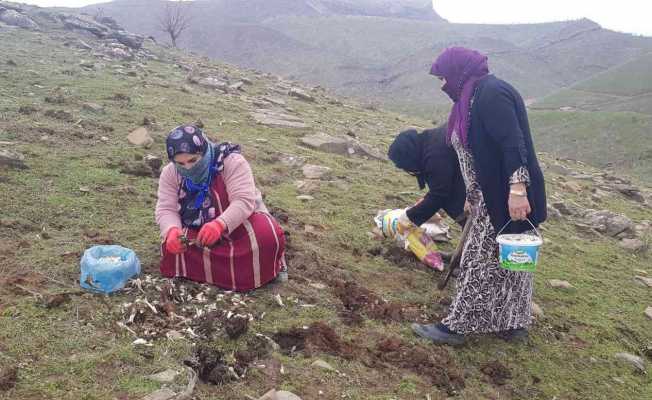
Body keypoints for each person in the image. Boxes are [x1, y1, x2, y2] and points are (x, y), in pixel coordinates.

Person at [410, 47, 547, 345]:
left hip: (507, 196)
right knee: (512, 260)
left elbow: (513, 145)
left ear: (460, 72)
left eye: (444, 77)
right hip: (488, 195)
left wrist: (518, 190)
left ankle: (457, 327)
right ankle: (513, 323)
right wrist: (471, 194)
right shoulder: (469, 99)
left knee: (480, 261)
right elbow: (476, 154)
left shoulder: (491, 94)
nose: (442, 85)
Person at [155, 124, 287, 292]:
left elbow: (243, 201)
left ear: (203, 151)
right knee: (172, 247)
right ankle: (222, 271)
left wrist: (219, 224)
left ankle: (270, 268)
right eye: (180, 163)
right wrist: (172, 230)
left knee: (267, 236)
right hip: (199, 232)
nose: (188, 167)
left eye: (193, 160)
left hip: (239, 225)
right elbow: (166, 209)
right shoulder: (170, 173)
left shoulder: (232, 162)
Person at [388, 125, 467, 227]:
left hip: (483, 179)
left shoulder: (434, 156)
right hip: (470, 175)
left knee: (451, 200)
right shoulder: (427, 141)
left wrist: (409, 217)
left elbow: (439, 194)